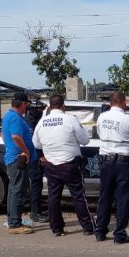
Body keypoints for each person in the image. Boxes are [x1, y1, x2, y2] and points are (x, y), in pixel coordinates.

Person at [32, 94, 95, 237]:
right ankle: (87, 227)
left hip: (51, 165)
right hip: (70, 164)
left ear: (49, 106)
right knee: (78, 196)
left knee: (53, 198)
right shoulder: (71, 119)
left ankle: (57, 229)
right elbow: (85, 141)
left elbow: (36, 143)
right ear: (63, 106)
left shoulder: (42, 122)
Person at [94, 91, 129, 244]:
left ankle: (100, 232)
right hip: (123, 164)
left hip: (105, 162)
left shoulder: (102, 117)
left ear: (110, 103)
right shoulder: (128, 119)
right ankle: (119, 235)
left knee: (104, 198)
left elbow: (99, 133)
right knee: (123, 199)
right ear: (125, 103)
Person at [1, 91, 37, 234]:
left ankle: (13, 220)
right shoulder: (15, 118)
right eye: (26, 104)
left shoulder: (9, 116)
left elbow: (3, 134)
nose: (26, 107)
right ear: (23, 104)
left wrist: (10, 147)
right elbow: (16, 136)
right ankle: (15, 224)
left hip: (13, 157)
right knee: (18, 192)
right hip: (18, 159)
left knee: (13, 191)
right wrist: (26, 151)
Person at [23, 101, 49, 224]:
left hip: (33, 157)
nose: (42, 112)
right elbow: (33, 144)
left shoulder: (32, 121)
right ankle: (35, 212)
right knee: (36, 184)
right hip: (34, 158)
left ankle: (36, 209)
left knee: (36, 184)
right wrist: (40, 156)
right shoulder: (30, 123)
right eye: (40, 109)